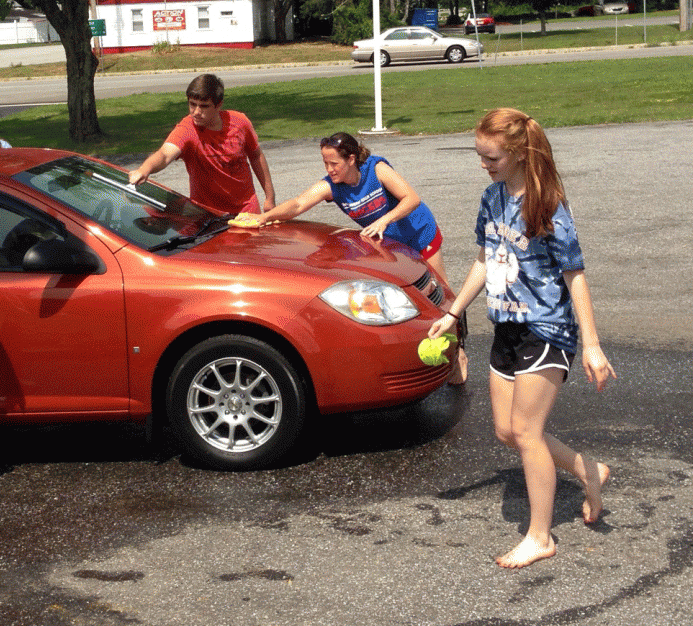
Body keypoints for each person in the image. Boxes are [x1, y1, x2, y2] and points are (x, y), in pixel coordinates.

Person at [429, 108, 616, 568]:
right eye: (480, 155)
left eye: (490, 156)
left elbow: (575, 275)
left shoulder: (546, 203)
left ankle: (540, 536)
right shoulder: (491, 199)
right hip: (506, 328)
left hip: (546, 329)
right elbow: (484, 259)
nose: (483, 163)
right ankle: (586, 469)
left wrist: (591, 344)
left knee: (528, 433)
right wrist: (453, 312)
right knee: (506, 431)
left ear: (515, 153)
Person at [235, 131, 468, 383]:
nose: (329, 169)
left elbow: (411, 198)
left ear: (351, 159)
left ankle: (458, 355)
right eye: (325, 163)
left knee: (441, 298)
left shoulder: (376, 168)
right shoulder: (332, 187)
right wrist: (264, 217)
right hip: (396, 250)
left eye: (334, 163)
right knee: (409, 304)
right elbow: (299, 203)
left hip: (420, 234)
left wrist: (385, 220)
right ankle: (421, 355)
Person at [127, 73, 275, 214]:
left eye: (204, 106)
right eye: (192, 104)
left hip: (246, 210)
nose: (196, 112)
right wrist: (144, 169)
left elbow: (256, 156)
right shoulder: (187, 129)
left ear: (218, 105)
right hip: (208, 216)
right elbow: (165, 154)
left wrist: (270, 197)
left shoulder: (240, 122)